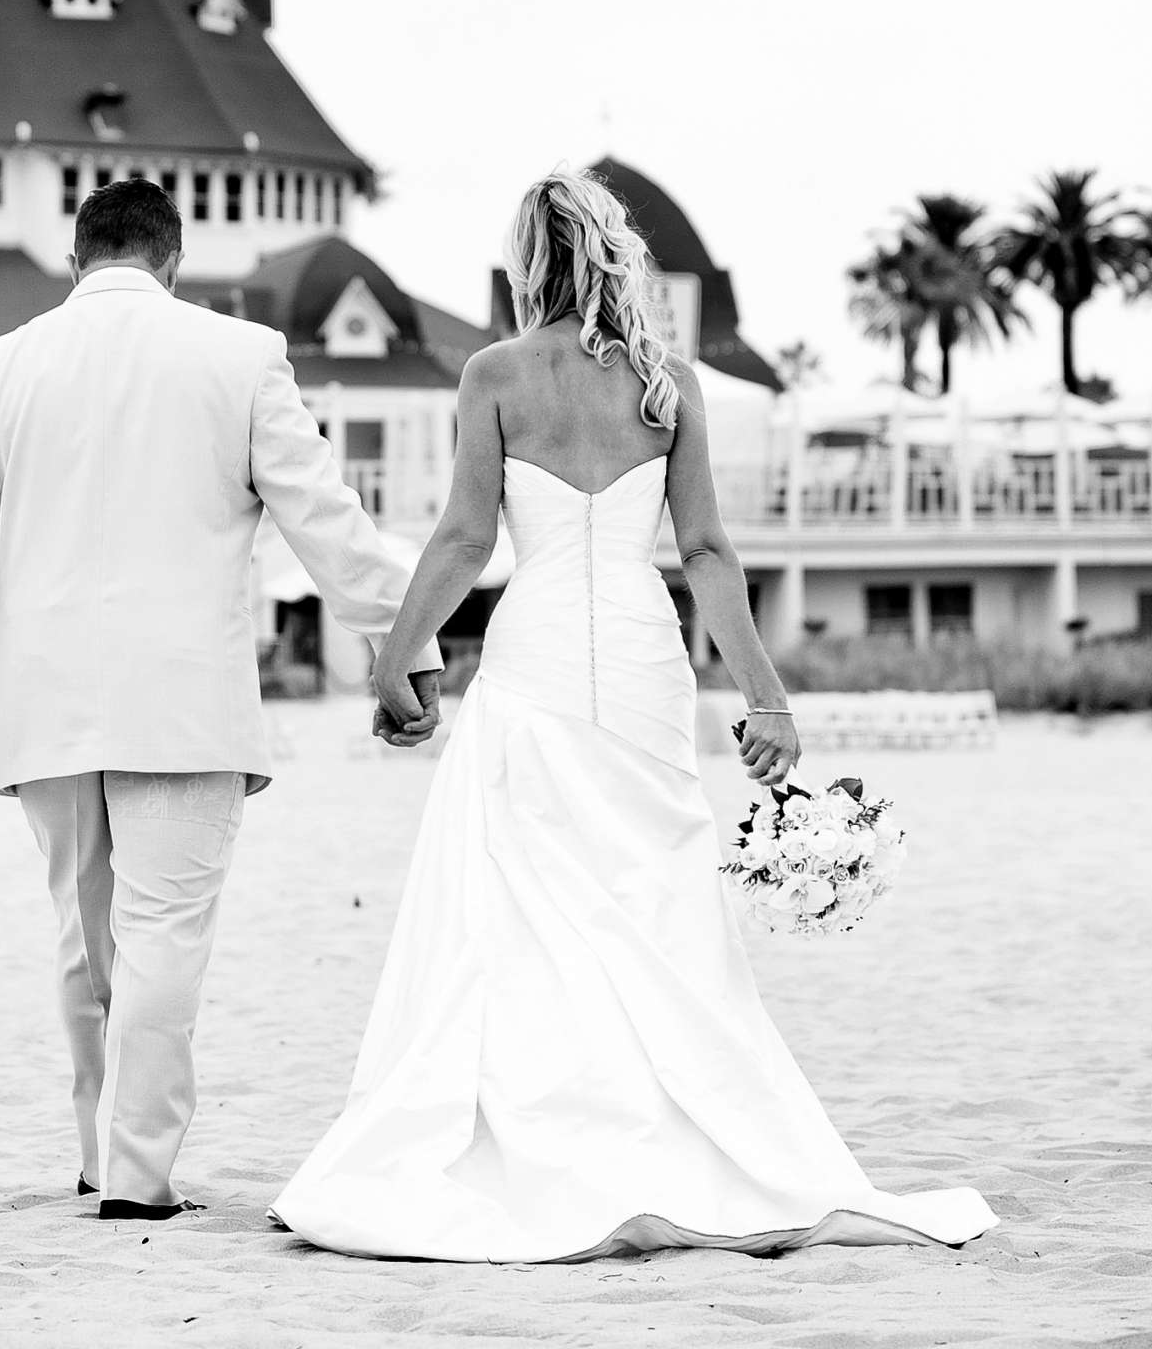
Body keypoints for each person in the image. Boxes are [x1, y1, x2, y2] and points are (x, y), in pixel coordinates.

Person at [271, 169, 997, 1262]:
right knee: (651, 892)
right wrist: (766, 695)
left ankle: (557, 1131)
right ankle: (679, 1127)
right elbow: (705, 552)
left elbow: (468, 539)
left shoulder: (496, 375)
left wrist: (399, 653)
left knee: (523, 905)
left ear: (528, 263)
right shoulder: (670, 382)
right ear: (615, 255)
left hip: (536, 658)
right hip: (648, 665)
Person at [0, 178, 442, 1222]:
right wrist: (402, 643)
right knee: (164, 937)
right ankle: (138, 1177)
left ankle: (98, 1158)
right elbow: (325, 515)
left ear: (78, 257)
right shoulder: (239, 356)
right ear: (172, 259)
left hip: (46, 708)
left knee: (84, 941)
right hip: (184, 705)